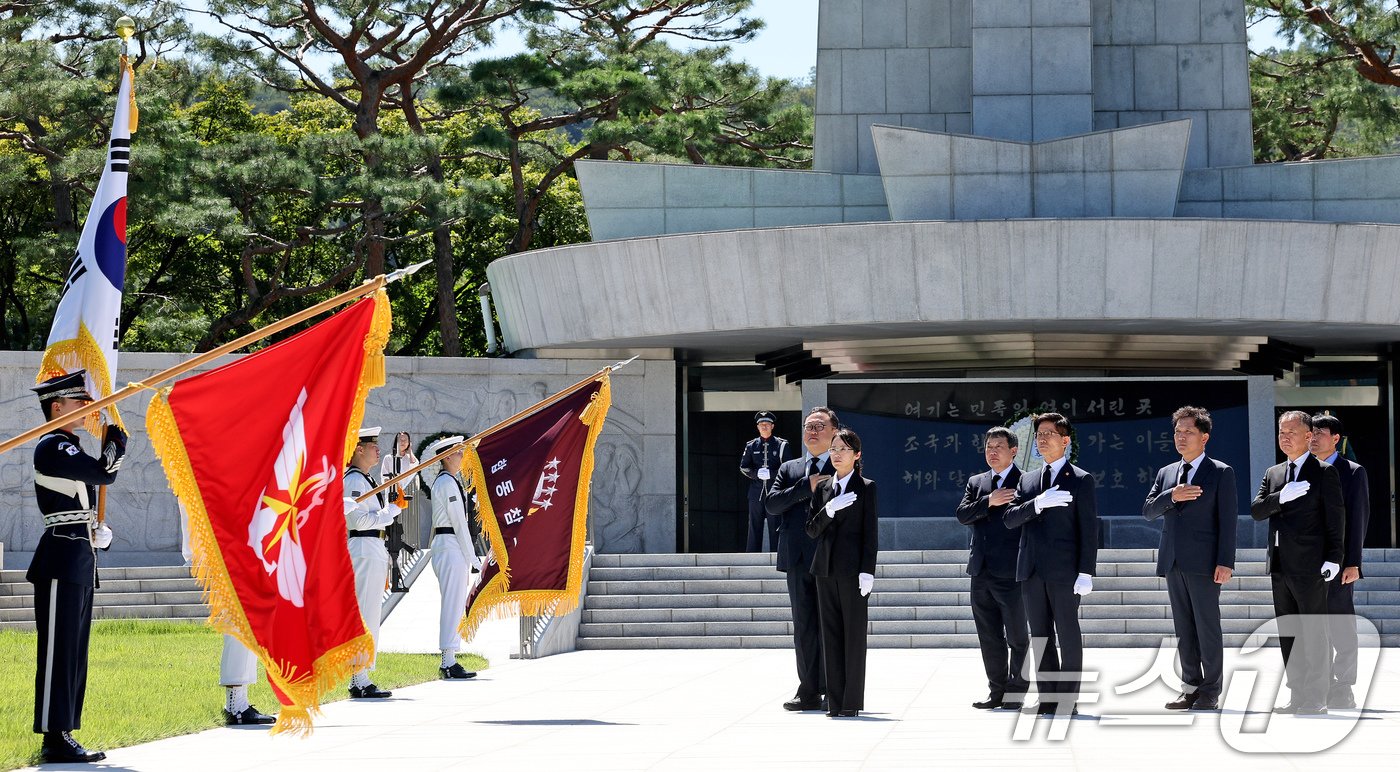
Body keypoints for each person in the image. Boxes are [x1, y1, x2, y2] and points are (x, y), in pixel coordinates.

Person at [27, 371, 126, 763]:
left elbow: (83, 500)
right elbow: (104, 473)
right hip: (58, 560)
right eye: (79, 403)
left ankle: (64, 731)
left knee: (73, 653)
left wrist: (100, 532)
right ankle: (53, 736)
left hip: (79, 558)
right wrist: (117, 445)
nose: (88, 410)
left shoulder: (70, 447)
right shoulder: (52, 444)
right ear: (57, 407)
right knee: (57, 651)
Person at [1250, 411, 1345, 716]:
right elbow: (1256, 510)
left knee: (1314, 631)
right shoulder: (1273, 473)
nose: (1285, 436)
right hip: (1279, 564)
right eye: (1281, 431)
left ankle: (1317, 697)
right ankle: (1297, 694)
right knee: (1289, 631)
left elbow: (1335, 519)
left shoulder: (1323, 472)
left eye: (1292, 431)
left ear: (1308, 437)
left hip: (1311, 564)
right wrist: (1281, 497)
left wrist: (1335, 556)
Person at [1142, 406, 1237, 712]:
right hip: (1173, 561)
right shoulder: (1166, 473)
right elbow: (1148, 511)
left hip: (1206, 563)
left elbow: (1228, 521)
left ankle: (1210, 690)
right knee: (1184, 629)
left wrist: (1226, 561)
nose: (1181, 437)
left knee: (1207, 628)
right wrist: (1172, 495)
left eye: (1189, 432)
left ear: (1204, 437)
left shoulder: (1221, 472)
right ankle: (1190, 688)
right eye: (1177, 432)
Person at [1004, 412, 1099, 716]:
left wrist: (1086, 571)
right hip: (1031, 570)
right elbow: (1009, 518)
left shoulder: (1081, 479)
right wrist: (1036, 503)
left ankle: (1067, 700)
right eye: (1039, 435)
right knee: (1040, 636)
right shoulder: (1028, 478)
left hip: (1065, 571)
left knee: (1068, 636)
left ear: (1065, 440)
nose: (1042, 439)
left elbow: (1088, 530)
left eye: (1049, 434)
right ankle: (1047, 699)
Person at [765, 407, 839, 711]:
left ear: (834, 432)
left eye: (820, 426)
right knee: (804, 625)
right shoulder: (789, 468)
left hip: (832, 557)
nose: (812, 431)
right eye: (808, 426)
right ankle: (807, 690)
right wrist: (803, 488)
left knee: (831, 624)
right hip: (796, 558)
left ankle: (833, 688)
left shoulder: (842, 466)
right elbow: (772, 504)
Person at [178, 504, 275, 725]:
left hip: (240, 547)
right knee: (239, 623)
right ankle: (235, 705)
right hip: (225, 549)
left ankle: (240, 700)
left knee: (247, 624)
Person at [805, 427, 878, 718]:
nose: (836, 454)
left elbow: (870, 534)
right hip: (824, 569)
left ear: (856, 455)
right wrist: (829, 510)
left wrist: (867, 571)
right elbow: (811, 529)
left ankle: (851, 702)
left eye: (843, 449)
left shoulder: (867, 486)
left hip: (852, 572)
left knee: (853, 637)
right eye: (833, 449)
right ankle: (834, 702)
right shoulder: (823, 488)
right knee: (831, 635)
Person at [955, 426, 1029, 711]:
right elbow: (962, 514)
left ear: (1013, 450)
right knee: (989, 636)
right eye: (988, 447)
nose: (992, 451)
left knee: (1018, 637)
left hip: (1012, 572)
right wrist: (989, 501)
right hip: (981, 572)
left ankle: (1016, 692)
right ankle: (996, 691)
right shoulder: (977, 482)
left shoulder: (1025, 482)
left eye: (999, 446)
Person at [1310, 413, 1370, 709]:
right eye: (1311, 432)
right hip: (1306, 562)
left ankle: (1343, 686)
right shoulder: (1302, 470)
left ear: (1336, 439)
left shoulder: (1352, 472)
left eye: (1320, 432)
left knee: (1341, 626)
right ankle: (1317, 685)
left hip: (1340, 562)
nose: (1313, 437)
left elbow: (1358, 518)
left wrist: (1353, 563)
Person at [343, 426, 401, 699]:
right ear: (358, 449)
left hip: (372, 547)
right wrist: (391, 511)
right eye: (372, 445)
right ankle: (359, 678)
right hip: (364, 547)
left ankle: (361, 675)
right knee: (365, 615)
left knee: (371, 615)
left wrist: (391, 508)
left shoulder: (365, 479)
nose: (378, 450)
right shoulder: (354, 481)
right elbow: (359, 521)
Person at [426, 434, 482, 680]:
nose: (462, 456)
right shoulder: (447, 483)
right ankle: (448, 662)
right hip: (449, 544)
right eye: (459, 452)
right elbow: (459, 523)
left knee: (456, 603)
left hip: (451, 545)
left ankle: (451, 658)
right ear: (447, 456)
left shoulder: (451, 481)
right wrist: (475, 558)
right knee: (452, 603)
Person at [739, 411, 791, 552]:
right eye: (761, 424)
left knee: (775, 525)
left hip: (775, 491)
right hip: (756, 492)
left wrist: (772, 474)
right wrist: (756, 474)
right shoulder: (751, 445)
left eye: (767, 424)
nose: (764, 427)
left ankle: (777, 555)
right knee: (754, 525)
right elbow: (744, 467)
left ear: (772, 426)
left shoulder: (781, 445)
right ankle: (752, 557)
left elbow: (787, 467)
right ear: (757, 427)